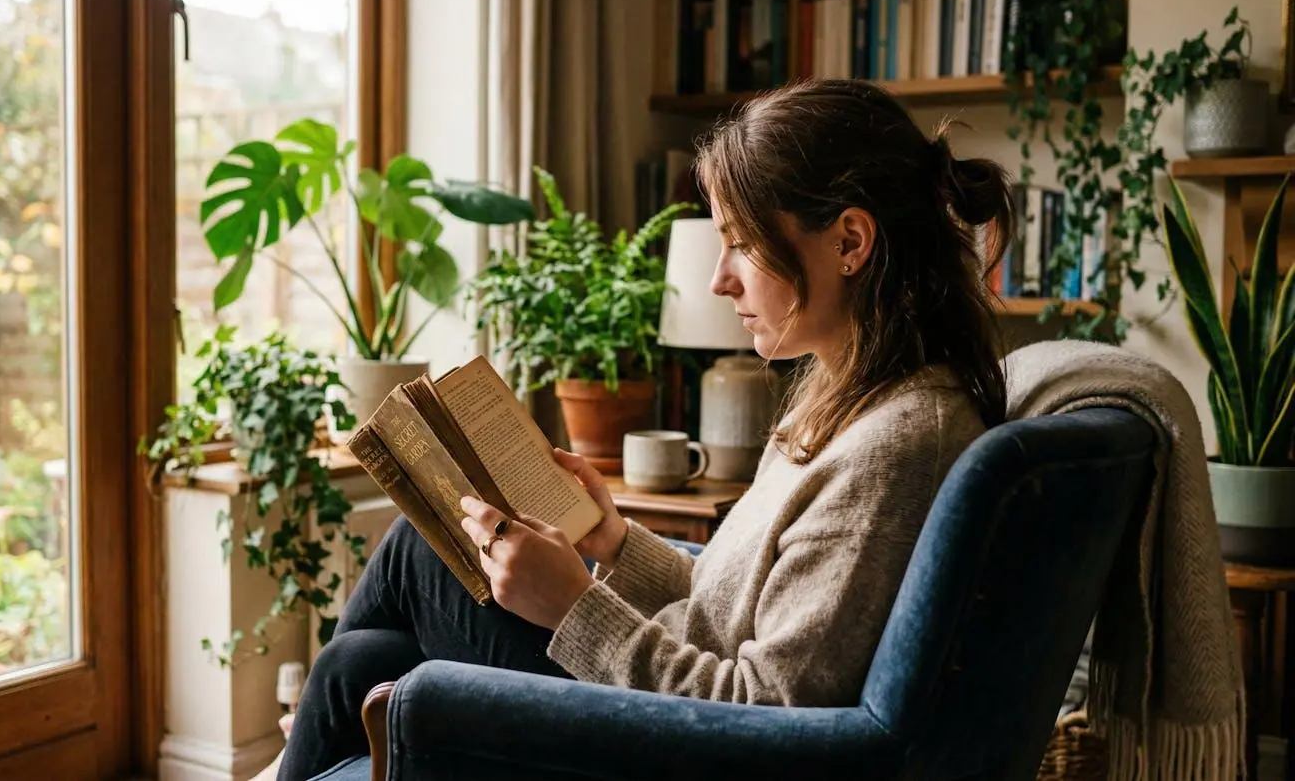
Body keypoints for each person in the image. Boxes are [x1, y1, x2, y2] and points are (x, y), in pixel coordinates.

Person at [275, 78, 1015, 780]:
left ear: (850, 242)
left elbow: (768, 715)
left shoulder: (895, 447)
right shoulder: (855, 394)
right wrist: (612, 541)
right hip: (668, 708)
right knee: (358, 662)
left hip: (668, 748)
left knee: (404, 568)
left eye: (742, 243)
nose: (721, 279)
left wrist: (573, 604)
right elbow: (739, 609)